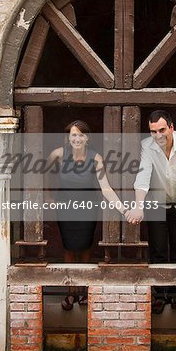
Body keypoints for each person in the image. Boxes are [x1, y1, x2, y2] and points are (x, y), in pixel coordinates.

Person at [125, 110, 176, 312]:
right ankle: (159, 295)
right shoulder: (147, 147)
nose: (158, 135)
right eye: (153, 131)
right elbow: (142, 178)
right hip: (156, 205)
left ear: (171, 127)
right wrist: (139, 206)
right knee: (158, 251)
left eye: (162, 130)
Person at [45, 120, 128, 309]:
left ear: (87, 138)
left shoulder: (96, 158)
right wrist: (49, 195)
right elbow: (45, 172)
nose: (77, 138)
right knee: (69, 247)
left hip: (88, 205)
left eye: (81, 135)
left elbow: (105, 188)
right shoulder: (58, 154)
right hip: (65, 204)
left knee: (85, 246)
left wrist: (123, 209)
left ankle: (83, 291)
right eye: (73, 135)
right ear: (68, 137)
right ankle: (71, 293)